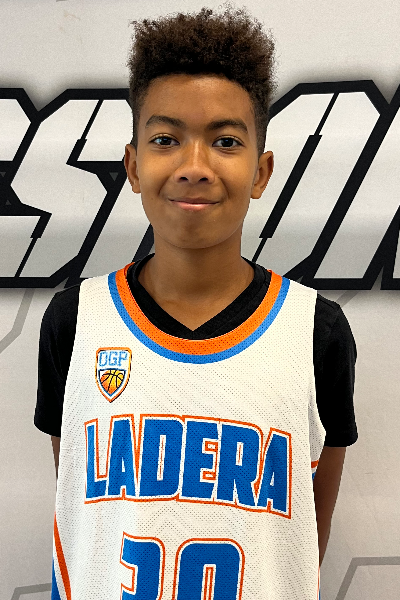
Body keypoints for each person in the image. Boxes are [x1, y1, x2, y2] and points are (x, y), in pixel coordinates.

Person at [34, 5, 357, 599]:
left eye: (225, 141)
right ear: (133, 165)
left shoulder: (316, 331)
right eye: (165, 139)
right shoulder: (76, 321)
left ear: (261, 172)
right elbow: (84, 519)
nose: (194, 167)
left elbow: (305, 539)